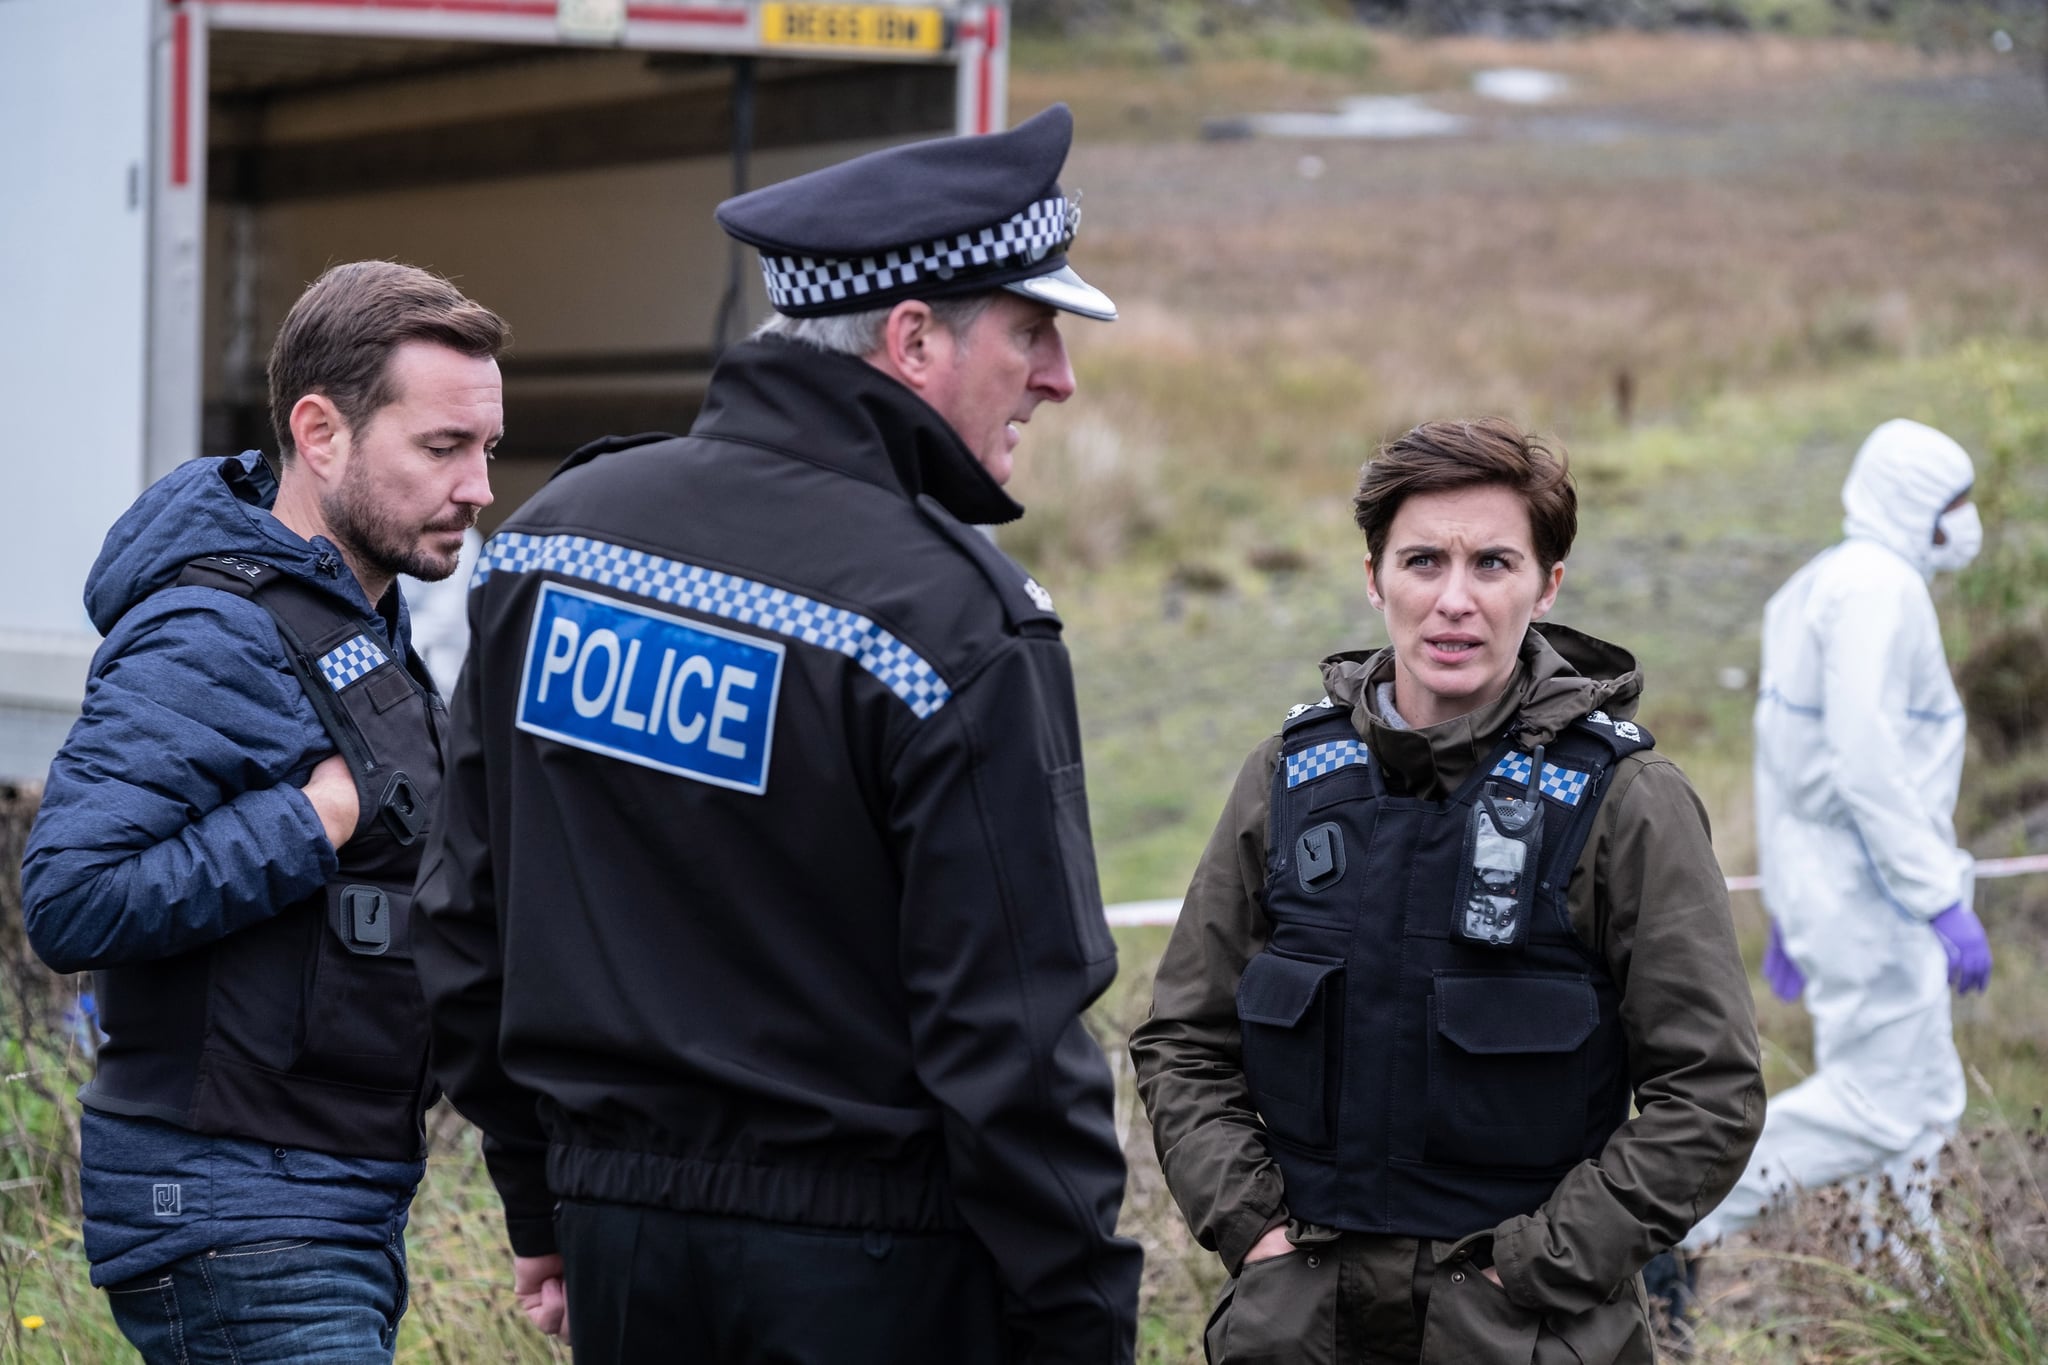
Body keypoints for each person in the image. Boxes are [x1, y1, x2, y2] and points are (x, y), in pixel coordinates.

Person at [411, 103, 1142, 1364]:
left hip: (620, 1247)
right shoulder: (950, 622)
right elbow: (1009, 1043)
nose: (1057, 377)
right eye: (1031, 331)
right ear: (912, 339)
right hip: (880, 1278)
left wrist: (545, 1197)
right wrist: (1076, 1323)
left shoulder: (552, 540)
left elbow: (468, 913)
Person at [1130, 418, 1765, 1363]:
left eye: (1494, 564)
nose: (1454, 601)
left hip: (1520, 1332)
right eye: (1423, 561)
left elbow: (1710, 1091)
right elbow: (1183, 1039)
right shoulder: (1288, 780)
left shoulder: (1625, 801)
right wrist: (1257, 1237)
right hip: (1295, 1327)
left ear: (1547, 584)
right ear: (1374, 577)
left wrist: (1531, 1270)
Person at [21, 261, 507, 1362]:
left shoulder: (357, 622)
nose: (477, 487)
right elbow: (71, 896)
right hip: (231, 1207)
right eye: (442, 448)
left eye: (486, 449)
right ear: (319, 433)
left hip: (325, 1197)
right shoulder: (214, 631)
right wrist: (313, 820)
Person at [1682, 418, 1990, 1252]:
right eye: (1954, 501)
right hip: (1876, 893)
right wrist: (1936, 897)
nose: (1968, 518)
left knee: (1905, 1113)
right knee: (1891, 1105)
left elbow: (1784, 763)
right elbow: (1866, 759)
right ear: (1916, 505)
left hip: (1833, 884)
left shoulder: (1818, 584)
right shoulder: (1880, 591)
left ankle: (1906, 1292)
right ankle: (1674, 1221)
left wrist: (1786, 899)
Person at [399, 525, 483, 694]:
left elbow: (444, 614)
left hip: (443, 674)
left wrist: (390, 643)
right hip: (403, 662)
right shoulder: (397, 534)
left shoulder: (460, 538)